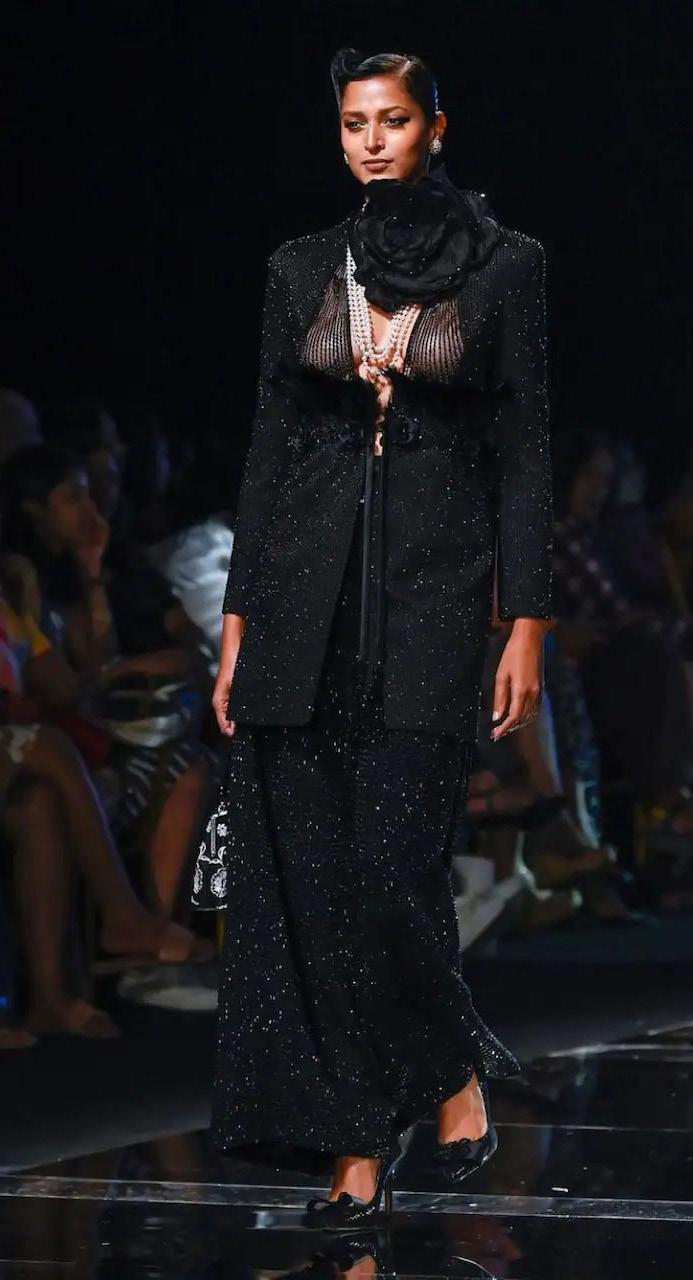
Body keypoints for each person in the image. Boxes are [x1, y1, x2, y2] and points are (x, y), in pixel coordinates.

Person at [192, 47, 554, 1225]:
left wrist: (527, 620)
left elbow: (524, 451)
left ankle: (451, 1069)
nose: (372, 141)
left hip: (436, 606)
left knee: (396, 876)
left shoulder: (506, 266)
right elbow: (270, 444)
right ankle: (357, 1147)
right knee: (316, 888)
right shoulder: (301, 268)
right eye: (355, 123)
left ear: (436, 128)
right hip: (303, 606)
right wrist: (238, 618)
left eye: (393, 120)